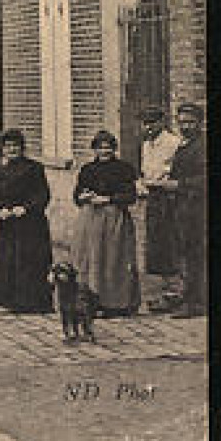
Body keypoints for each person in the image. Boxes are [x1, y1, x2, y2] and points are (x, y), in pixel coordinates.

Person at [71, 130, 141, 316]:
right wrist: (83, 196)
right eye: (100, 147)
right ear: (94, 149)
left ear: (114, 149)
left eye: (108, 147)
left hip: (114, 219)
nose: (105, 151)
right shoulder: (87, 170)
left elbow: (130, 196)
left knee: (113, 259)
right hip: (90, 220)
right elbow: (77, 196)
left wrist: (109, 199)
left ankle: (116, 303)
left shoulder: (123, 169)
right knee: (91, 259)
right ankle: (92, 302)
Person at [0, 129, 53, 314]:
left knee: (31, 261)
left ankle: (33, 301)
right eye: (7, 146)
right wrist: (0, 209)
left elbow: (42, 194)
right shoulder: (1, 171)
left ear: (22, 148)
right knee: (10, 261)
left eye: (15, 146)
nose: (11, 150)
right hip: (9, 225)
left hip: (31, 225)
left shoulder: (34, 168)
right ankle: (12, 301)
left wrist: (26, 208)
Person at [138, 106, 184, 300]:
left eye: (152, 122)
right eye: (145, 123)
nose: (148, 127)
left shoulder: (174, 143)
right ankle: (168, 288)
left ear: (162, 122)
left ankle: (179, 288)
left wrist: (165, 183)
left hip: (171, 197)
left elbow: (178, 172)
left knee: (171, 240)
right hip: (153, 197)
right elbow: (146, 171)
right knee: (157, 242)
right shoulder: (146, 145)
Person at [166, 103, 207, 318]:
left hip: (198, 209)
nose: (185, 126)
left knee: (195, 254)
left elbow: (205, 178)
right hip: (183, 207)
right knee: (184, 253)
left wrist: (179, 185)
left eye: (190, 122)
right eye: (182, 122)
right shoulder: (185, 144)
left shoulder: (202, 145)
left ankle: (196, 302)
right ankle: (188, 296)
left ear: (200, 122)